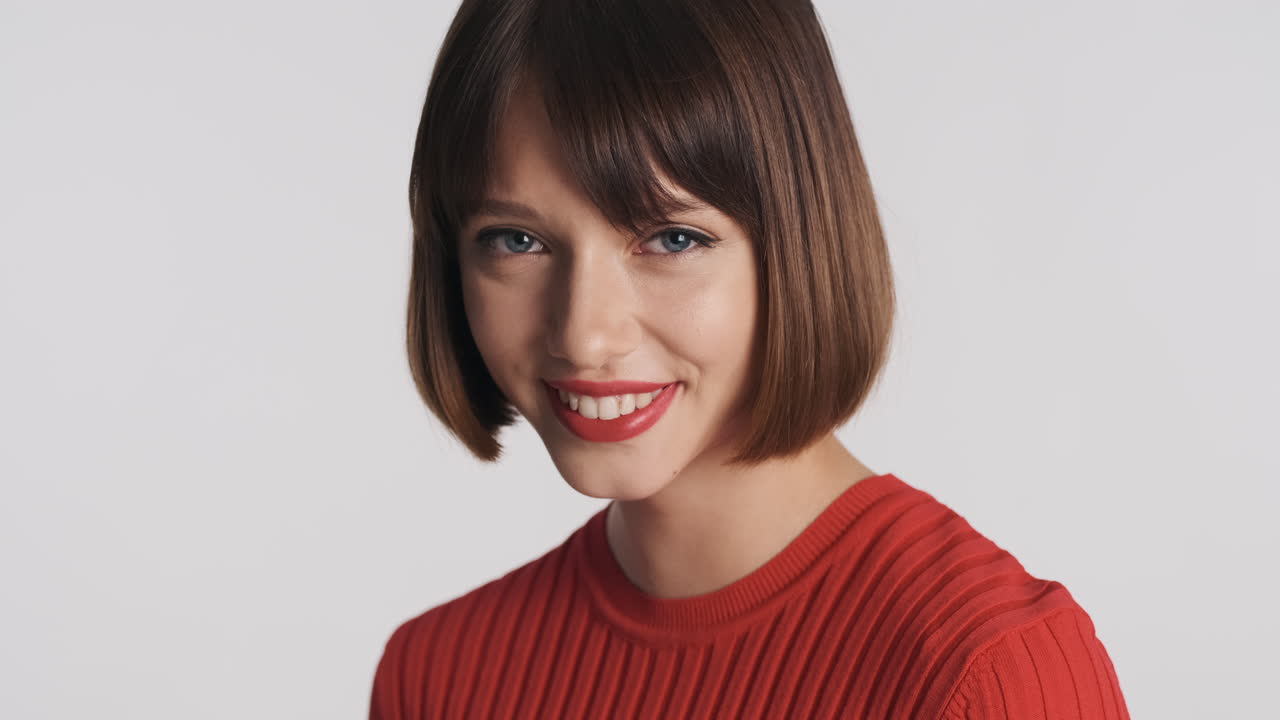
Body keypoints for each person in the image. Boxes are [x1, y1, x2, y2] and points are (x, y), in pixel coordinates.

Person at [370, 1, 1130, 717]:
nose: (585, 336)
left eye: (672, 239)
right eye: (517, 240)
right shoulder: (440, 675)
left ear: (798, 241)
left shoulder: (983, 673)